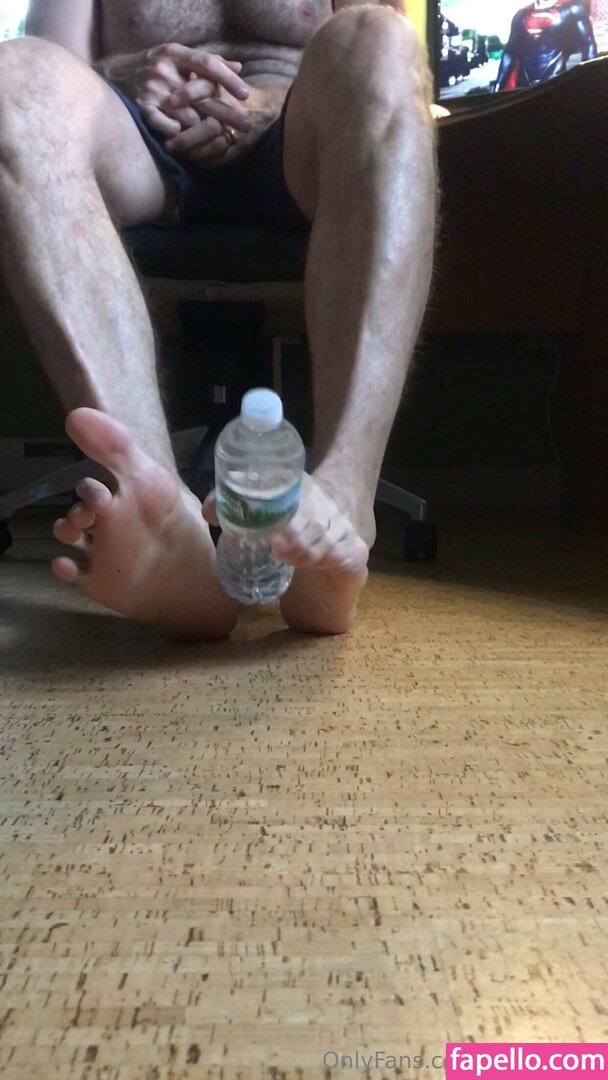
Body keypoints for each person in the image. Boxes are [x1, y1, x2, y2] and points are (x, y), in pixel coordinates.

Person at [0, 0, 436, 639]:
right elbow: (56, 55)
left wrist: (271, 99)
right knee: (15, 77)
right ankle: (163, 523)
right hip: (139, 147)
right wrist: (128, 70)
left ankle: (345, 500)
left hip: (294, 142)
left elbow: (369, 65)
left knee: (381, 40)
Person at [495, 0, 598, 90]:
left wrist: (588, 79)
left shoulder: (572, 9)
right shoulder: (521, 15)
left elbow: (588, 45)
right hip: (525, 88)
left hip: (555, 85)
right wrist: (498, 86)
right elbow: (510, 53)